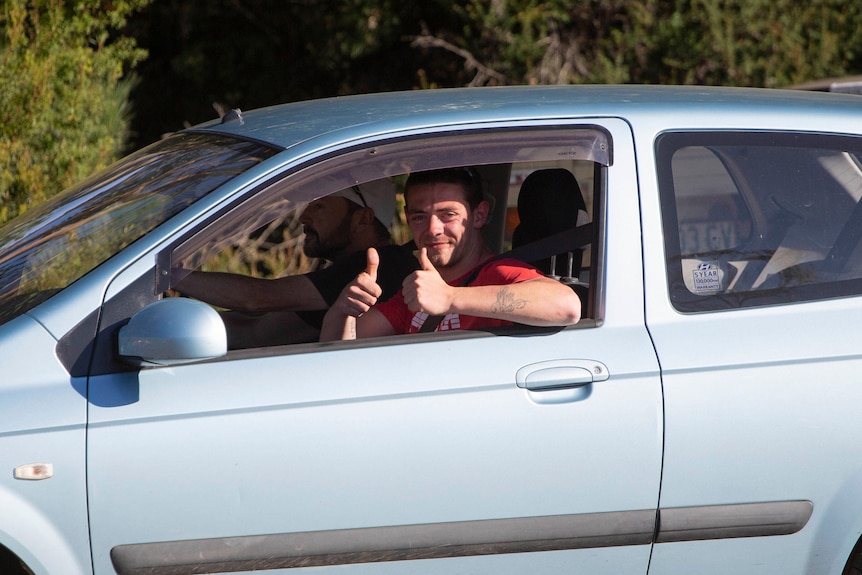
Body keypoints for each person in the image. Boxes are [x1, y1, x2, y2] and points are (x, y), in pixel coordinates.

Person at [320, 167, 581, 341]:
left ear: (478, 215)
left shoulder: (498, 273)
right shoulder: (416, 291)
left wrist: (450, 297)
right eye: (420, 217)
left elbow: (566, 306)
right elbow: (345, 353)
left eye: (448, 215)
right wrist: (342, 310)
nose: (433, 229)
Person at [174, 179, 418, 348]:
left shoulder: (377, 265)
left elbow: (255, 300)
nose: (303, 217)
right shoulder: (358, 267)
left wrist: (164, 275)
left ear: (363, 219)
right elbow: (257, 321)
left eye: (319, 206)